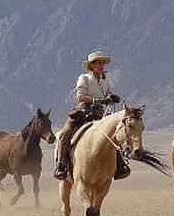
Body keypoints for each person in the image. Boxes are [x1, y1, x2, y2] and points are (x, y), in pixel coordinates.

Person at [53, 51, 130, 181]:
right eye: (98, 63)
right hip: (82, 112)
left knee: (112, 136)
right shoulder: (84, 78)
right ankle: (61, 165)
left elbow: (108, 96)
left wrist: (111, 99)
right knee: (65, 134)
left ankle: (119, 166)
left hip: (99, 114)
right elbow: (80, 96)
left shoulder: (105, 81)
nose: (101, 65)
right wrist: (99, 100)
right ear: (92, 65)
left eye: (102, 63)